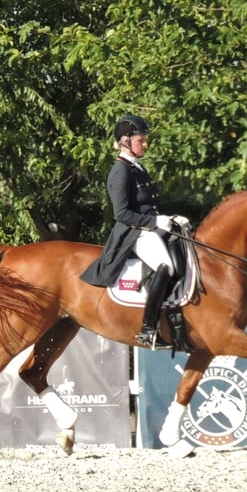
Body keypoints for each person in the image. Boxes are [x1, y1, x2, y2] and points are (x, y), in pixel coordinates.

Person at [80, 114, 188, 349]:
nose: (146, 144)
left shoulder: (137, 168)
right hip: (134, 233)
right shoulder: (121, 171)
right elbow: (122, 214)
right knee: (166, 265)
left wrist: (171, 218)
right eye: (142, 140)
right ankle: (148, 329)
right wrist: (156, 223)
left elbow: (151, 205)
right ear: (126, 141)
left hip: (149, 229)